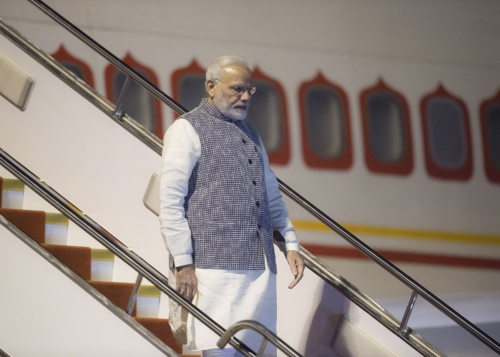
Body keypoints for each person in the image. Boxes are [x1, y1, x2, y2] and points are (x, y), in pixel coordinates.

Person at [159, 55, 304, 357]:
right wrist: (184, 263)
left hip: (259, 273)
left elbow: (270, 194)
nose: (246, 97)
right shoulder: (186, 130)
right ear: (211, 87)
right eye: (238, 89)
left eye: (251, 90)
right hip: (213, 270)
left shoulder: (251, 134)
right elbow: (170, 204)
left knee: (259, 351)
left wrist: (290, 242)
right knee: (219, 350)